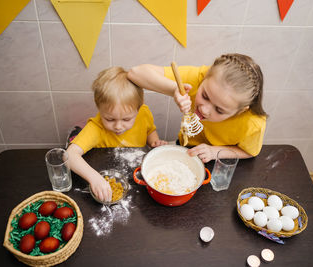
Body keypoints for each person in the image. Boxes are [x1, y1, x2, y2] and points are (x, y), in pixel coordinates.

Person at [127, 53, 267, 163]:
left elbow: (249, 152)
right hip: (185, 145)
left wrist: (214, 152)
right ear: (205, 77)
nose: (204, 110)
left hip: (218, 159)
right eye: (205, 96)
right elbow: (135, 73)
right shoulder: (200, 77)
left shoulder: (253, 123)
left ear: (241, 111)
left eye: (219, 110)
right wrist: (174, 89)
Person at [67, 67, 168, 202]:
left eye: (126, 119)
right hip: (104, 173)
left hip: (137, 182)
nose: (118, 126)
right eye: (110, 119)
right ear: (99, 109)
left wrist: (154, 142)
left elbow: (150, 130)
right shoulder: (96, 127)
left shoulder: (143, 113)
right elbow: (69, 156)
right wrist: (94, 178)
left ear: (138, 109)